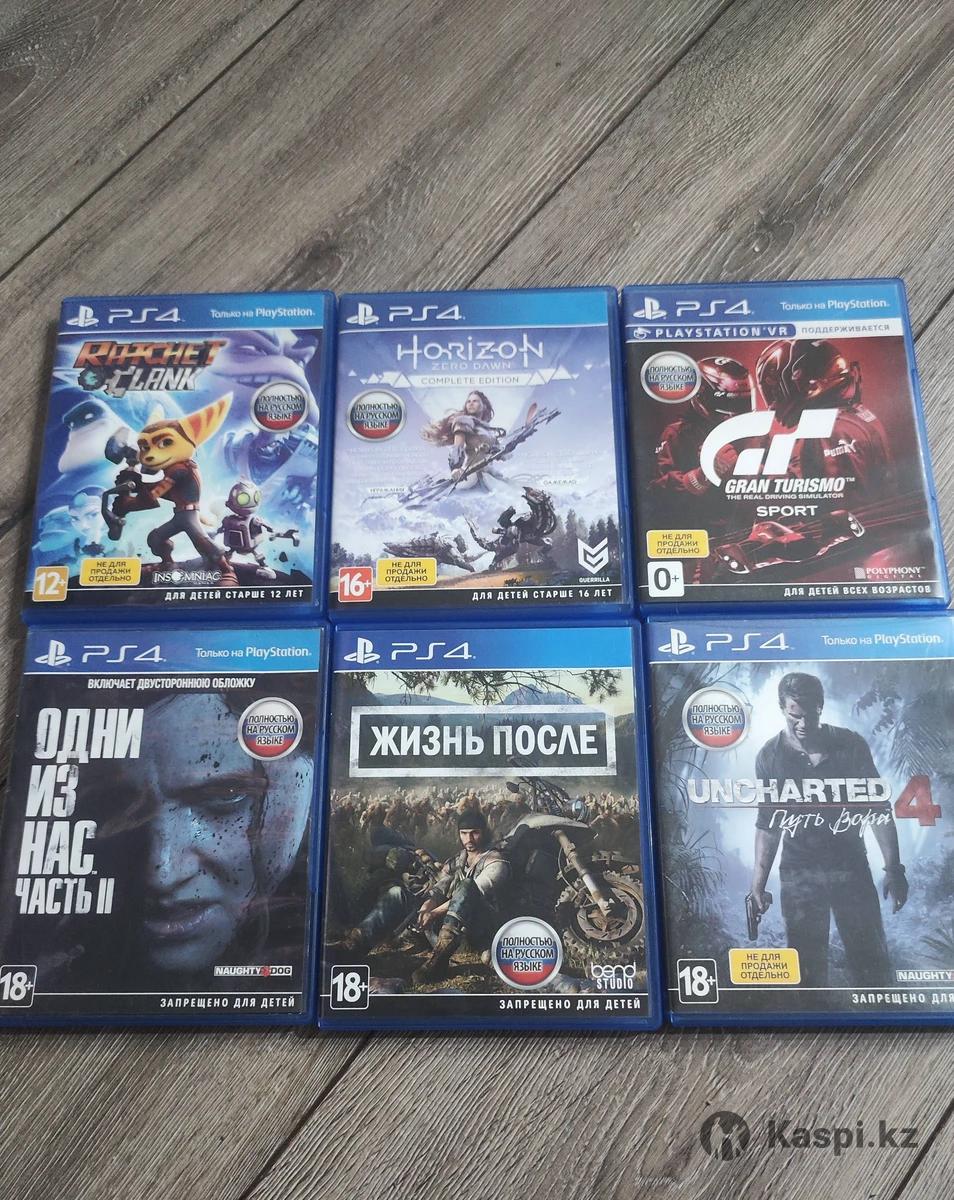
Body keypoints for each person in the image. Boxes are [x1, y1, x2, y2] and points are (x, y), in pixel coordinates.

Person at [749, 672, 908, 988]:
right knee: (806, 974)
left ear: (820, 706)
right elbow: (768, 824)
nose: (803, 723)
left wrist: (894, 870)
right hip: (799, 874)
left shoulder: (850, 745)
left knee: (873, 968)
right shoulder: (770, 756)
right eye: (795, 715)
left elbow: (878, 810)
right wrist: (758, 885)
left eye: (810, 713)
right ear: (782, 709)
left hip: (851, 869)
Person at [341, 810, 510, 985]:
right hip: (445, 932)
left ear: (484, 832)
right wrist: (426, 908)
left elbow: (472, 892)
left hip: (476, 933)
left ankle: (438, 963)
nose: (469, 839)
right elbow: (440, 888)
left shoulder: (496, 862)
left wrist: (434, 913)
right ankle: (354, 944)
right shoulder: (458, 860)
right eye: (464, 833)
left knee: (467, 885)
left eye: (474, 833)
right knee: (398, 894)